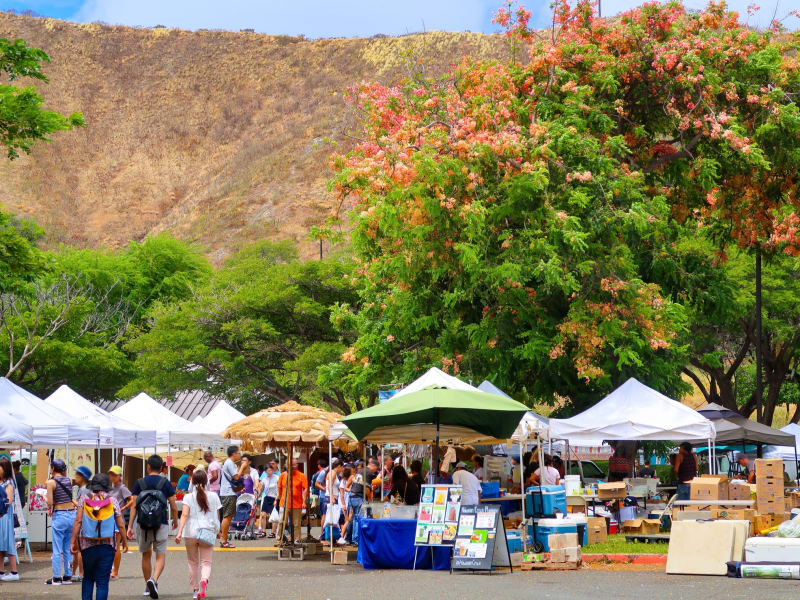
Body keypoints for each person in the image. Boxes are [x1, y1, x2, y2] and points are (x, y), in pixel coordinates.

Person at [127, 454, 178, 599]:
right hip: (160, 523)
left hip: (142, 524)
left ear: (148, 466)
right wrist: (175, 520)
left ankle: (147, 587)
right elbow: (173, 506)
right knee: (160, 555)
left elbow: (134, 507)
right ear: (162, 468)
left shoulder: (139, 483)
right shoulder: (165, 483)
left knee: (146, 555)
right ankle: (154, 580)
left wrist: (130, 526)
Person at [70, 473, 128, 600]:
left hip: (87, 546)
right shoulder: (112, 500)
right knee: (102, 581)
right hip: (107, 546)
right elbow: (120, 524)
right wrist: (125, 541)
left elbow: (78, 521)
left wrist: (73, 541)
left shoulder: (84, 499)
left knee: (88, 578)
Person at [175, 470, 221, 600]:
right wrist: (218, 532)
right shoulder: (213, 496)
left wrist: (179, 533)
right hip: (207, 531)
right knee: (206, 562)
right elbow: (217, 517)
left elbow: (184, 515)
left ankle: (195, 590)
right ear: (207, 482)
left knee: (192, 562)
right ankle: (204, 580)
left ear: (192, 481)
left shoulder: (188, 497)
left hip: (190, 532)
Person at [46, 458, 77, 585]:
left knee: (57, 549)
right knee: (68, 548)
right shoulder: (69, 480)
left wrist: (44, 496)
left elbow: (50, 502)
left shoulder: (51, 483)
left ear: (53, 469)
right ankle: (68, 576)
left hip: (59, 516)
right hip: (71, 515)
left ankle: (57, 577)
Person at [106, 466, 132, 580]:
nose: (112, 477)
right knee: (110, 545)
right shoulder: (111, 489)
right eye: (111, 474)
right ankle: (110, 569)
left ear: (120, 476)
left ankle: (115, 571)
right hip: (109, 518)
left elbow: (132, 499)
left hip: (118, 518)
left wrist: (122, 508)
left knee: (116, 545)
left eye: (114, 475)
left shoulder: (122, 488)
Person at [218, 445, 245, 549]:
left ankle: (224, 540)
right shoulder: (229, 463)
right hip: (228, 492)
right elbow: (236, 477)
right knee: (227, 516)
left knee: (228, 516)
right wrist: (242, 467)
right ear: (234, 453)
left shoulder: (228, 463)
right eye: (238, 453)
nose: (239, 454)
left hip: (227, 492)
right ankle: (224, 541)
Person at [276, 459, 308, 543]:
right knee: (281, 521)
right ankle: (280, 538)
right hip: (284, 503)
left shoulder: (301, 475)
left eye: (295, 464)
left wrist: (304, 501)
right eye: (292, 465)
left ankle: (296, 539)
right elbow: (279, 487)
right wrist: (278, 498)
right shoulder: (283, 475)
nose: (294, 466)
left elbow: (305, 489)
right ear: (287, 466)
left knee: (296, 524)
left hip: (297, 504)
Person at [0, 458, 19, 582]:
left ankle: (14, 572)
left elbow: (9, 501)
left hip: (4, 516)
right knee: (1, 544)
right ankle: (1, 571)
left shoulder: (9, 483)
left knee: (8, 542)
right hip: (2, 515)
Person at [257, 464, 279, 539]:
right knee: (263, 515)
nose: (269, 472)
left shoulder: (276, 478)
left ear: (273, 470)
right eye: (267, 470)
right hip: (267, 497)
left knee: (273, 516)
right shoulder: (264, 479)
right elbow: (261, 488)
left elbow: (279, 490)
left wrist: (276, 499)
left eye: (270, 470)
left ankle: (273, 532)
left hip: (274, 498)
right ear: (265, 471)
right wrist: (258, 495)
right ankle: (263, 531)